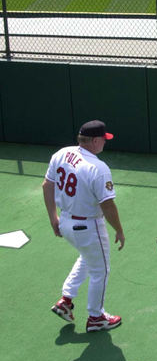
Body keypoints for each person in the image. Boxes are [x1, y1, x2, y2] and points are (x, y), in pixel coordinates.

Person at [43, 120, 125, 332]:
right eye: (103, 140)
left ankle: (66, 300)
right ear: (95, 141)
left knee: (87, 257)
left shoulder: (62, 154)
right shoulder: (98, 168)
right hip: (89, 226)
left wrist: (53, 218)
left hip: (66, 222)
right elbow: (107, 205)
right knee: (101, 271)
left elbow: (47, 184)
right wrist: (119, 229)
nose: (105, 144)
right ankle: (96, 317)